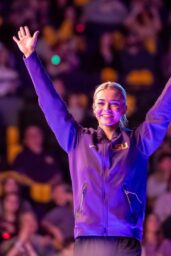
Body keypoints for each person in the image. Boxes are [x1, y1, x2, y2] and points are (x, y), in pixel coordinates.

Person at [13, 26, 171, 256]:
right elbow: (51, 105)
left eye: (114, 103)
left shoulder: (139, 143)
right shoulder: (76, 139)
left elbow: (162, 114)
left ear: (124, 108)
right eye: (101, 103)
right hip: (88, 240)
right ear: (94, 108)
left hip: (125, 241)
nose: (107, 108)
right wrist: (31, 58)